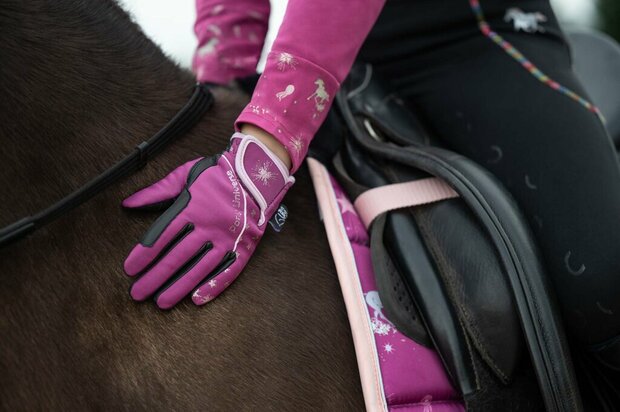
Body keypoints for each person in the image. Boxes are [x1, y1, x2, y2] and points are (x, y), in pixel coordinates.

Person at [122, 0, 620, 374]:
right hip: (332, 45)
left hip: (475, 36)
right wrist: (220, 87)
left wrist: (265, 155)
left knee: (602, 277)